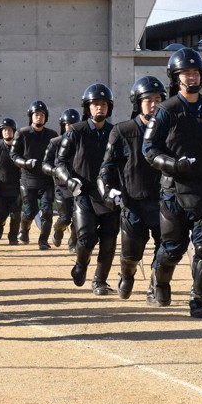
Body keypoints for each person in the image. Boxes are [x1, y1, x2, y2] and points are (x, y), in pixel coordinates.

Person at [143, 47, 202, 318]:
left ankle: (198, 300)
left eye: (195, 72)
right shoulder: (165, 110)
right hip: (174, 191)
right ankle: (159, 283)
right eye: (185, 73)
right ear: (175, 77)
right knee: (173, 248)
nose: (191, 77)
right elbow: (149, 148)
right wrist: (173, 165)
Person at [100, 76, 166, 299]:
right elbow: (106, 167)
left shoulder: (169, 129)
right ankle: (127, 275)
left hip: (163, 202)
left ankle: (155, 286)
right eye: (148, 100)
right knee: (131, 254)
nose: (154, 104)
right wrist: (108, 190)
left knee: (165, 250)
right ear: (138, 103)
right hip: (133, 203)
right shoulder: (122, 131)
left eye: (158, 100)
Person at [55, 84, 118, 295]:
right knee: (86, 238)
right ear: (87, 107)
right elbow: (60, 162)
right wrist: (68, 180)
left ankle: (100, 281)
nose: (100, 108)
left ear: (109, 107)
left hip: (108, 194)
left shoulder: (115, 132)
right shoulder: (75, 131)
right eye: (95, 104)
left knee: (109, 241)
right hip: (84, 193)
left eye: (103, 104)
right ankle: (81, 263)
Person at [11, 101, 59, 249]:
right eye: (36, 114)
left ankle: (43, 241)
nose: (39, 117)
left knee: (47, 211)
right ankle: (24, 230)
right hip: (28, 180)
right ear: (31, 116)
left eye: (42, 115)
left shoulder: (52, 135)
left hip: (46, 180)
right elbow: (13, 155)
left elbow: (57, 156)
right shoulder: (22, 133)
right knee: (29, 212)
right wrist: (25, 163)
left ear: (46, 117)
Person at [45, 108, 81, 250]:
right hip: (61, 186)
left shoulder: (82, 143)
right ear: (63, 125)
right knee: (65, 218)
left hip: (79, 186)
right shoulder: (55, 143)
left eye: (74, 125)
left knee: (78, 218)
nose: (70, 128)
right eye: (68, 125)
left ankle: (73, 243)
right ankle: (58, 229)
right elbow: (45, 164)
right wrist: (55, 171)